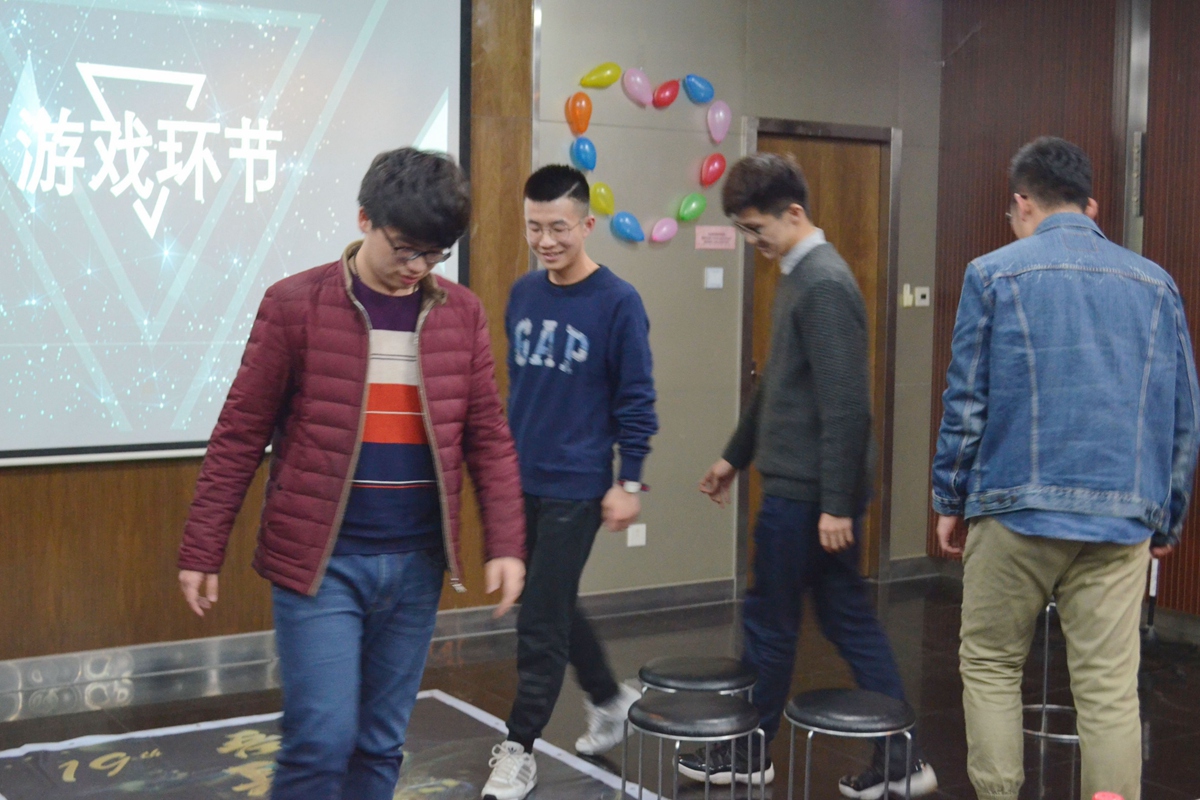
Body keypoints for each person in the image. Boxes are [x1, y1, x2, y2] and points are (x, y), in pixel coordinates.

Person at [177, 147, 527, 800]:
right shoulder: (294, 305)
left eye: (434, 254)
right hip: (321, 564)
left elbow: (488, 437)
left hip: (417, 564)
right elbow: (240, 433)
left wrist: (506, 542)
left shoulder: (461, 312)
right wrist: (203, 546)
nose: (416, 267)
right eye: (404, 249)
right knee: (320, 740)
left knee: (380, 743)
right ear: (365, 219)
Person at [933, 136, 1199, 800]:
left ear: (1022, 202)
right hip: (1122, 517)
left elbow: (966, 401)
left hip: (1013, 507)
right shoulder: (1156, 284)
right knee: (1108, 689)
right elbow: (1182, 416)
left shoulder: (992, 274)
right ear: (1092, 206)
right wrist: (1167, 515)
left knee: (992, 665)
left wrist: (950, 497)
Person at [685, 153, 938, 798]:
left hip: (805, 498)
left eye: (756, 229)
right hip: (806, 491)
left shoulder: (824, 283)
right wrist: (734, 456)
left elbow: (846, 405)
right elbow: (778, 384)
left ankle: (749, 751)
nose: (752, 242)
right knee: (847, 617)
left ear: (793, 213)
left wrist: (835, 503)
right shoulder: (799, 275)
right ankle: (902, 759)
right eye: (743, 230)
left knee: (770, 622)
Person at [480, 164, 657, 800]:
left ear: (587, 224)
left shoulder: (618, 301)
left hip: (577, 486)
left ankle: (519, 748)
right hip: (518, 480)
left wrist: (628, 482)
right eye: (534, 227)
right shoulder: (524, 294)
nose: (545, 240)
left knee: (539, 623)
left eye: (558, 227)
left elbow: (637, 399)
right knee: (548, 603)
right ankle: (609, 699)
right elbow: (519, 389)